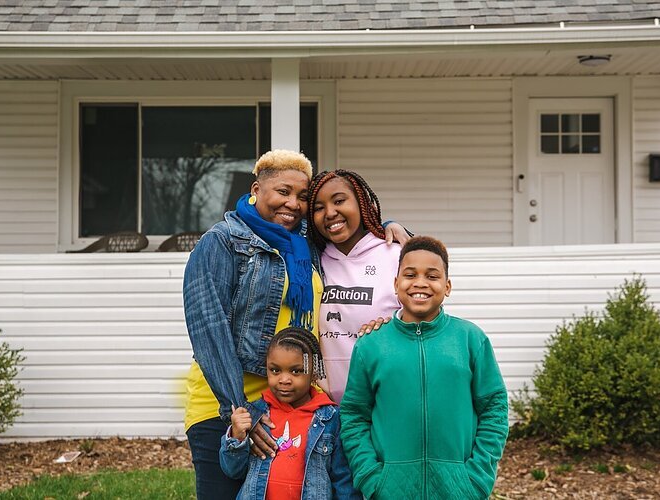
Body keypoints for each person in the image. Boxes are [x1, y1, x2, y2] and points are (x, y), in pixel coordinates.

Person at [183, 150, 407, 499]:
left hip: (295, 404)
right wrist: (237, 411)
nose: (293, 203)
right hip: (229, 407)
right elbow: (208, 329)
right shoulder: (222, 241)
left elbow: (342, 225)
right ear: (257, 189)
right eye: (283, 192)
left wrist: (388, 223)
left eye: (302, 197)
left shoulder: (303, 243)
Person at [339, 236, 509, 500]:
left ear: (447, 286)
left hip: (459, 490)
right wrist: (371, 478)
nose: (420, 283)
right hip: (389, 490)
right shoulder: (371, 345)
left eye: (432, 276)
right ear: (396, 284)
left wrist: (476, 480)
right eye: (410, 274)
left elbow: (494, 409)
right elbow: (353, 416)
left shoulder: (470, 339)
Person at [219, 327, 361, 500]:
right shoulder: (256, 415)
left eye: (296, 371)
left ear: (314, 371)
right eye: (275, 370)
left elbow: (343, 479)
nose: (284, 380)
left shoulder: (331, 418)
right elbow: (233, 471)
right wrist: (237, 437)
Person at [306, 169, 401, 403]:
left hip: (386, 401)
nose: (329, 213)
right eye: (318, 208)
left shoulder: (396, 254)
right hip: (326, 410)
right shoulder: (312, 259)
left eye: (339, 201)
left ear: (362, 203)